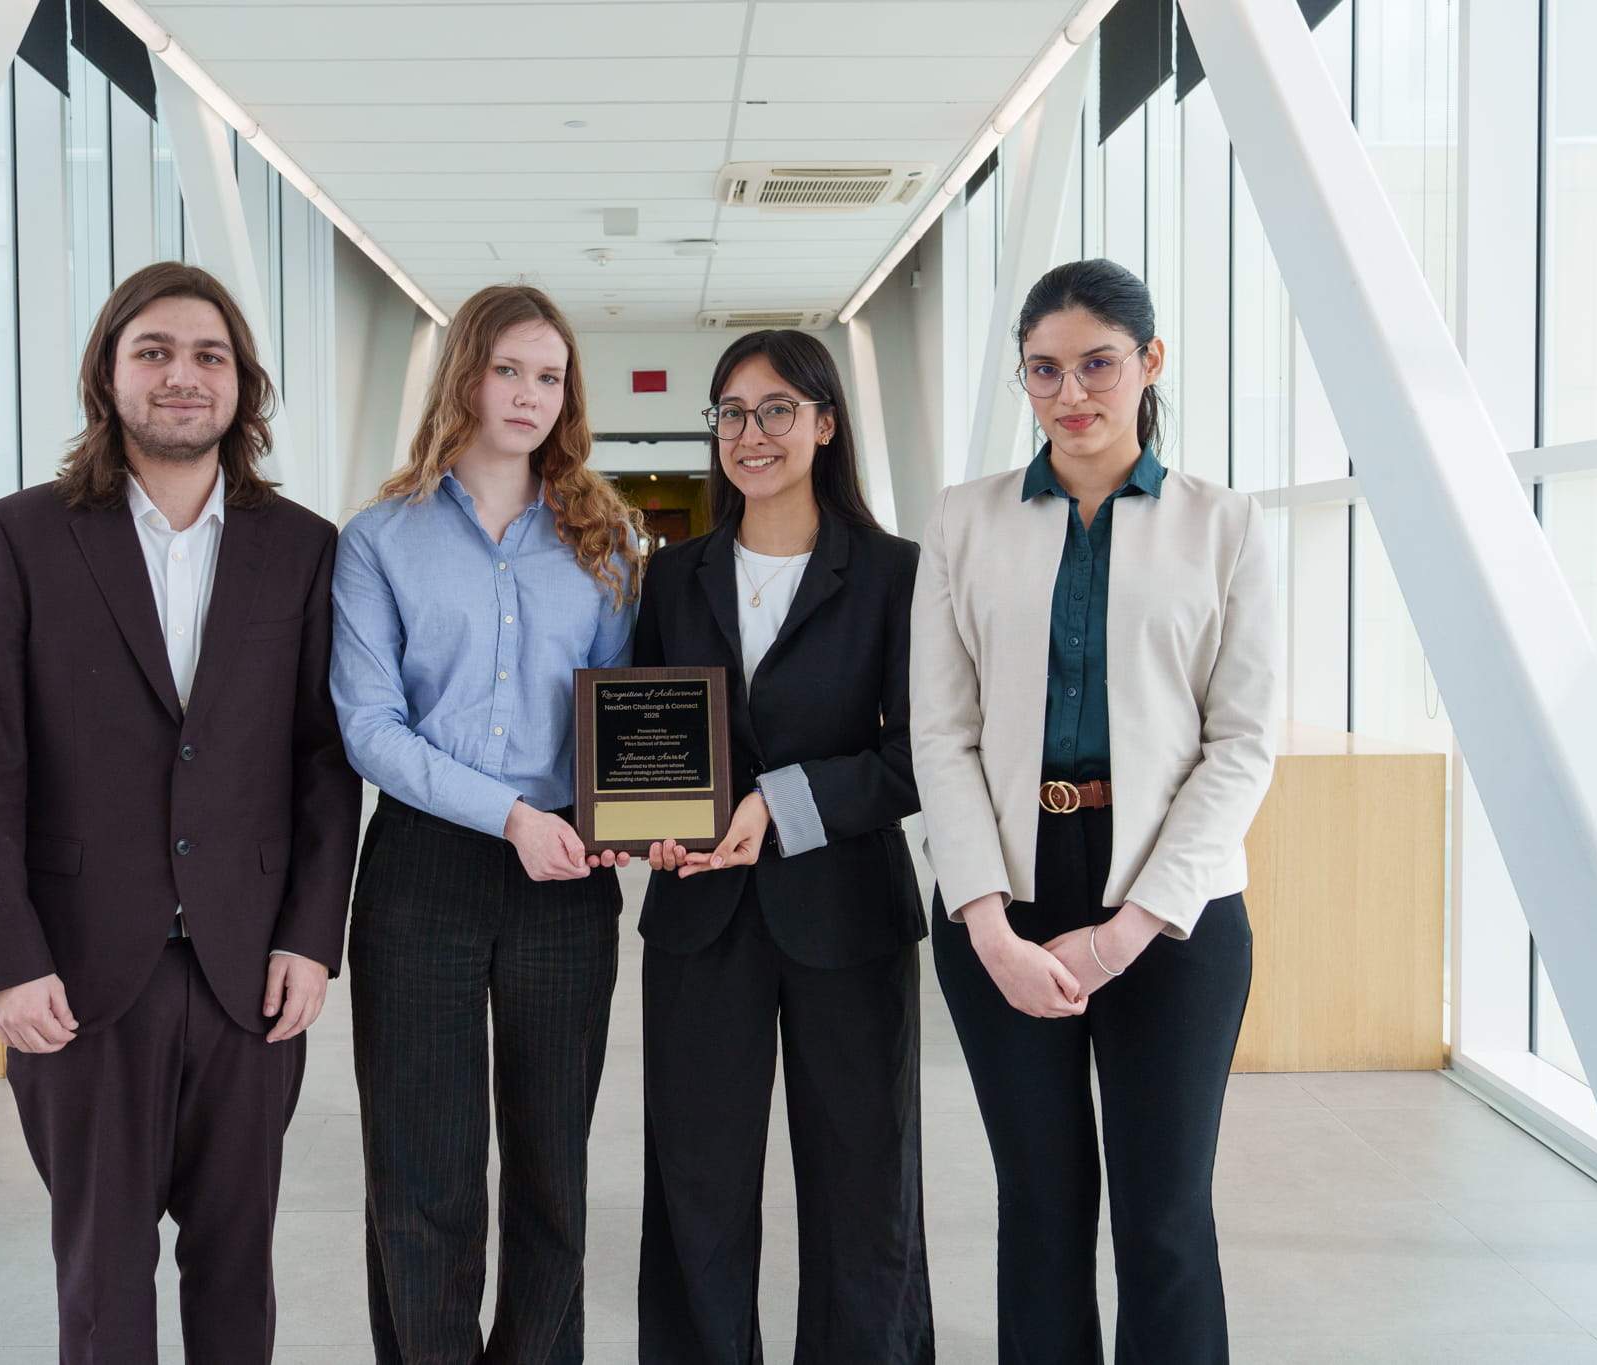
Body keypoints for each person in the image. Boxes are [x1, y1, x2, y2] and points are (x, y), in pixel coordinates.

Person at [0, 261, 360, 1363]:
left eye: (209, 356)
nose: (184, 375)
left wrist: (311, 939)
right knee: (101, 1277)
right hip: (78, 981)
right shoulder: (19, 536)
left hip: (248, 977)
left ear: (242, 385)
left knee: (238, 1271)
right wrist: (6, 960)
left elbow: (323, 763)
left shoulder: (302, 546)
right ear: (109, 374)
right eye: (155, 352)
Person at [911, 258, 1279, 1364]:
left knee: (1164, 1216)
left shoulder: (1224, 525)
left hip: (1171, 901)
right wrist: (988, 928)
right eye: (1044, 370)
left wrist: (1127, 932)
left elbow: (1240, 744)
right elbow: (941, 734)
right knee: (1039, 1205)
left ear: (1149, 361)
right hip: (1004, 890)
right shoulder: (964, 520)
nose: (1070, 394)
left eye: (1097, 364)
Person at [330, 283, 642, 1365]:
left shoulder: (606, 541)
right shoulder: (379, 539)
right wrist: (507, 815)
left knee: (553, 1167)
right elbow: (370, 728)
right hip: (424, 868)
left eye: (549, 376)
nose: (527, 393)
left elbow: (619, 709)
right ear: (463, 375)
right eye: (508, 368)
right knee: (423, 1169)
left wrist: (620, 814)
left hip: (567, 871)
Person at [632, 329, 931, 1364]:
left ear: (826, 424)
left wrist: (780, 802)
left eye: (775, 411)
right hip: (698, 913)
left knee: (864, 1178)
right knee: (695, 1181)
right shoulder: (673, 577)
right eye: (731, 413)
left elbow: (918, 758)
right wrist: (649, 819)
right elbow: (645, 737)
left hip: (846, 911)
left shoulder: (894, 573)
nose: (750, 434)